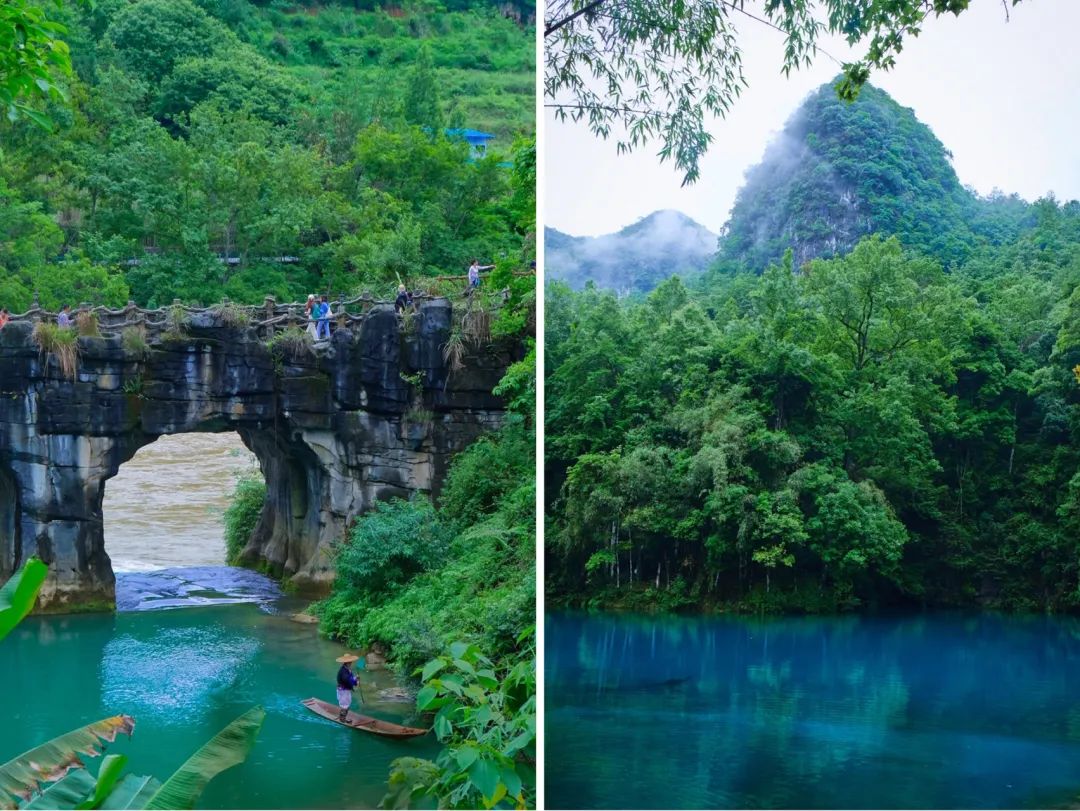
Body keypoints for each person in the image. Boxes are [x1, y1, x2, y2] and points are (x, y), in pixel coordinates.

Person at [335, 653, 361, 723]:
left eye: (351, 662)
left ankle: (343, 718)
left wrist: (356, 679)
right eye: (350, 662)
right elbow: (347, 680)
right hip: (343, 690)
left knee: (347, 703)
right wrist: (355, 681)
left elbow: (350, 679)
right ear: (347, 663)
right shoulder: (343, 671)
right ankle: (342, 719)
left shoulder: (348, 669)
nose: (351, 663)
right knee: (345, 705)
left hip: (346, 689)